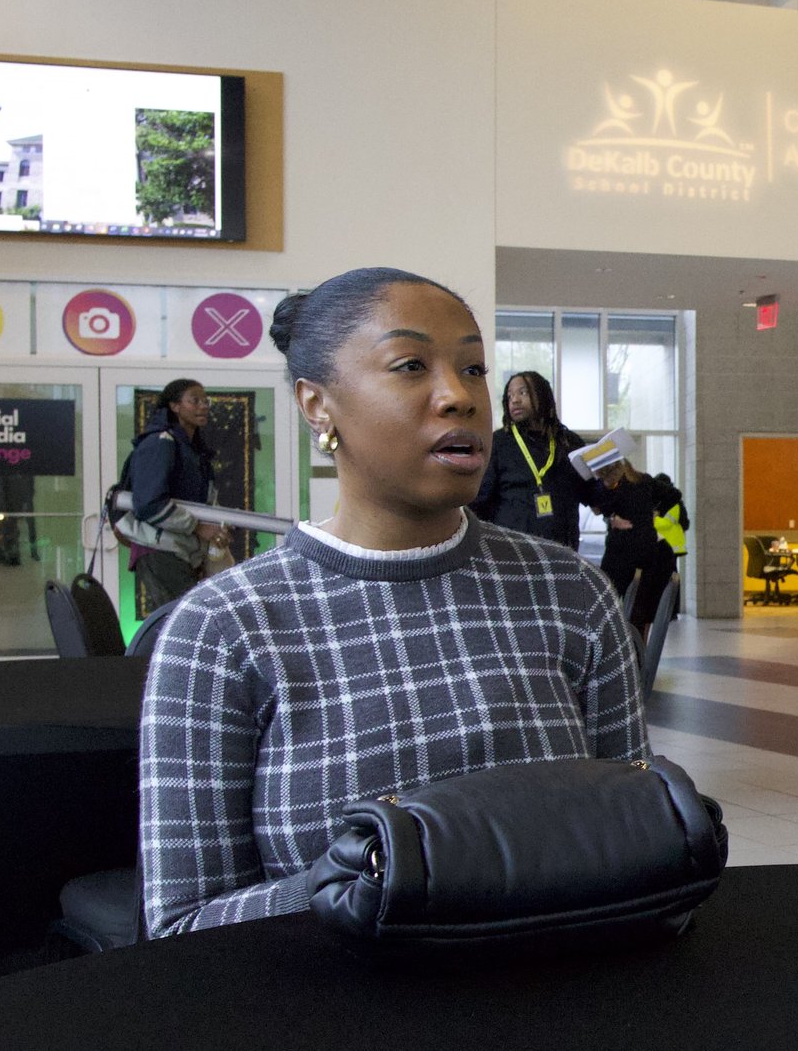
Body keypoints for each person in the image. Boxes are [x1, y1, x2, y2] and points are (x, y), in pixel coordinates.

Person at [139, 268, 645, 937]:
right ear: (318, 404)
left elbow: (636, 849)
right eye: (410, 365)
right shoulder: (223, 629)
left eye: (474, 368)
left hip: (562, 1014)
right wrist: (370, 882)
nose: (459, 396)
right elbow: (183, 926)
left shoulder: (572, 594)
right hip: (334, 1030)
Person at [116, 378, 224, 608]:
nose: (203, 406)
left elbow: (201, 501)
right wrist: (197, 527)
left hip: (181, 550)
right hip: (160, 550)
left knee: (184, 620)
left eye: (206, 401)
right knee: (180, 621)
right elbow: (149, 503)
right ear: (175, 406)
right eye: (194, 401)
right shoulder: (160, 443)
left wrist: (215, 530)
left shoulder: (193, 451)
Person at [471, 369, 601, 548]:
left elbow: (593, 498)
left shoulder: (569, 442)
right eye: (509, 396)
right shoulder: (498, 444)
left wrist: (610, 480)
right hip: (512, 555)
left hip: (563, 555)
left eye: (522, 392)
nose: (514, 400)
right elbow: (479, 503)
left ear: (542, 395)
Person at [595, 456, 687, 638]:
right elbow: (674, 495)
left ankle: (612, 644)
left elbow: (599, 507)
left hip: (619, 549)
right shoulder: (644, 480)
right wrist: (654, 512)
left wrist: (611, 518)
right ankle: (639, 650)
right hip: (646, 548)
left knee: (608, 597)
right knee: (641, 605)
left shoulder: (610, 487)